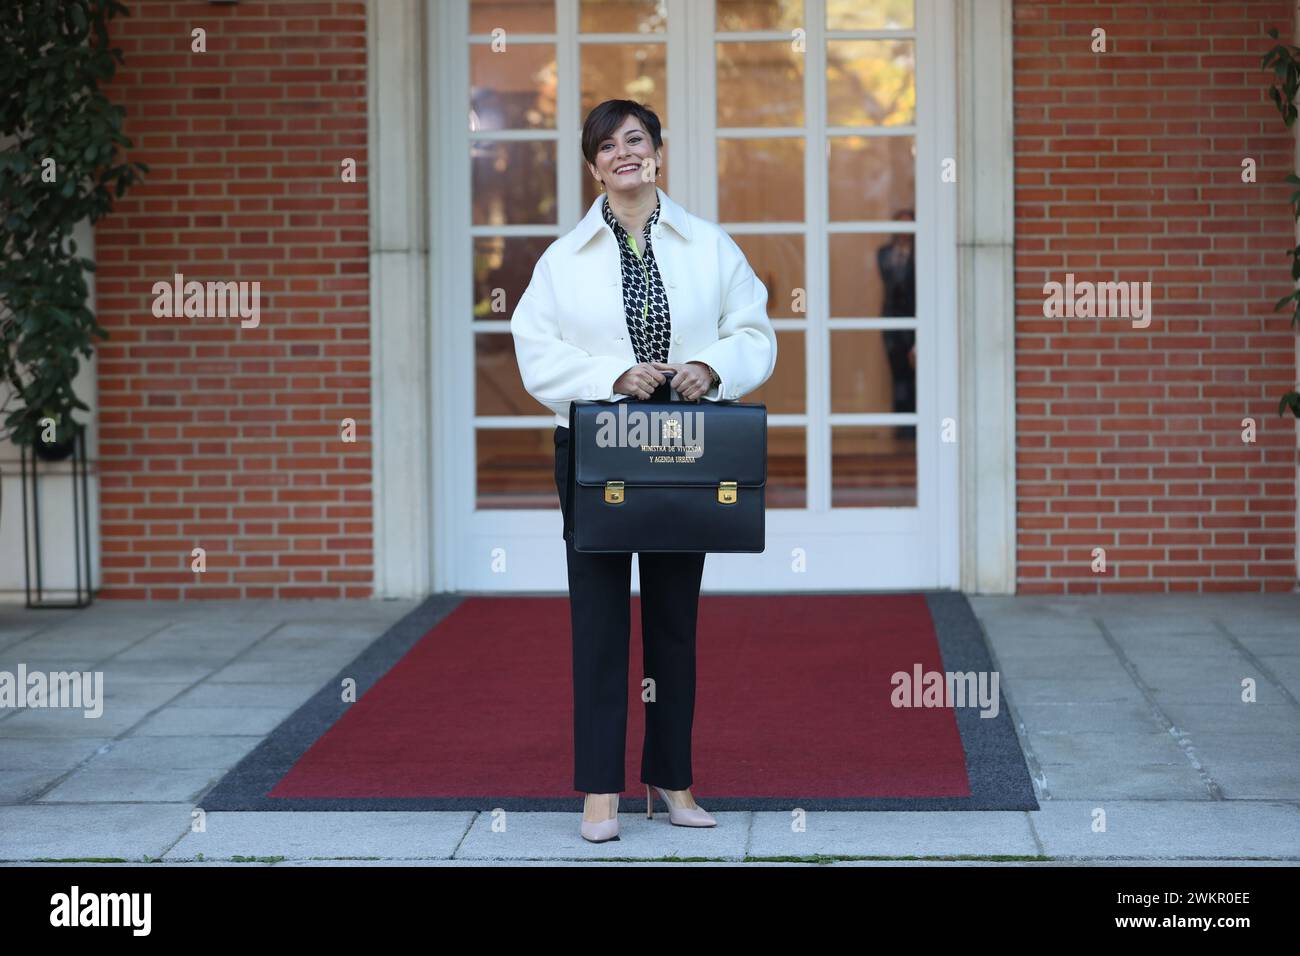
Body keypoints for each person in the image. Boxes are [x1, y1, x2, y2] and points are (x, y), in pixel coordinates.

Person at [510, 99, 776, 842]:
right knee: (596, 622)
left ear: (657, 151)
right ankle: (599, 791)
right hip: (597, 452)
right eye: (608, 146)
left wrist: (709, 365)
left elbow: (752, 329)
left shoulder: (709, 245)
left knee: (673, 622)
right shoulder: (563, 260)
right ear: (594, 166)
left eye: (636, 140)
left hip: (680, 450)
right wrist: (612, 374)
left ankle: (672, 780)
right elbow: (534, 348)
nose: (624, 154)